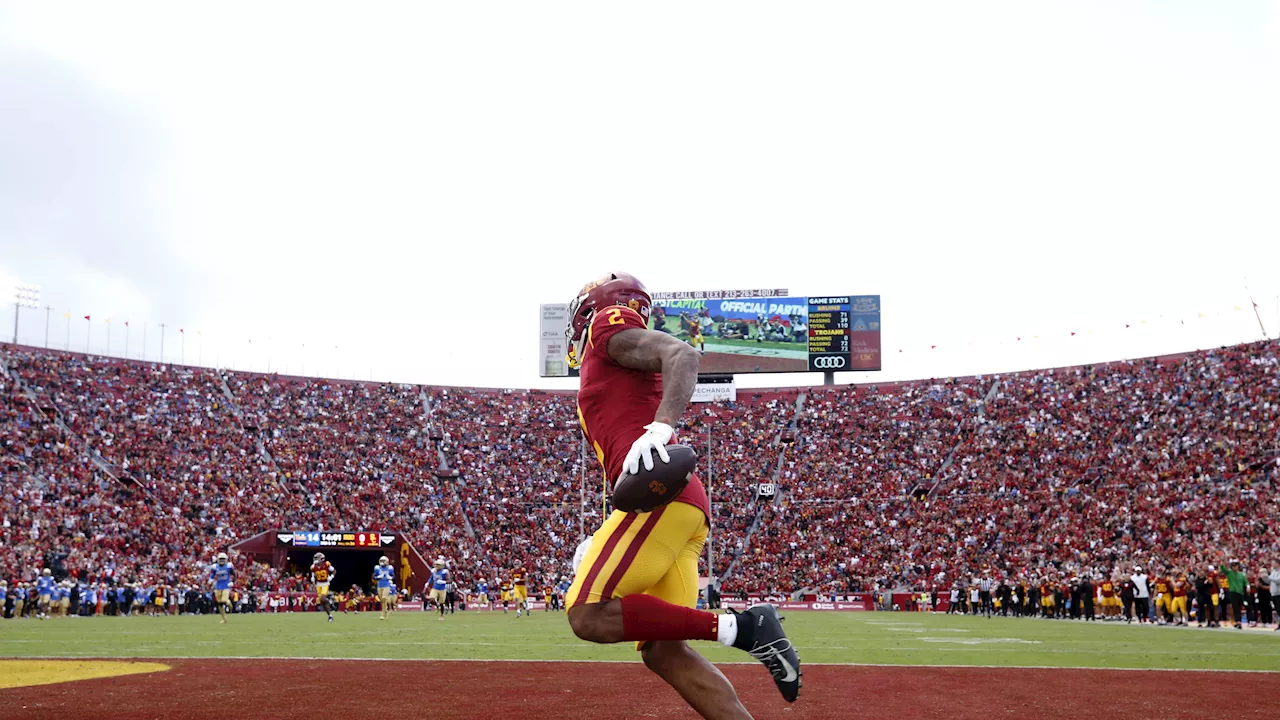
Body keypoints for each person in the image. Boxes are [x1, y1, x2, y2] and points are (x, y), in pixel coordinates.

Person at [562, 272, 801, 719]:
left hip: (661, 498)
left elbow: (682, 354)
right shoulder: (615, 357)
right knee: (664, 652)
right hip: (678, 505)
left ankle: (744, 627)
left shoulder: (606, 327)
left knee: (587, 614)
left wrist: (663, 425)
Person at [208, 552, 235, 624]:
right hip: (218, 586)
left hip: (226, 585)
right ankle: (224, 619)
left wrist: (233, 582)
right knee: (219, 603)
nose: (222, 560)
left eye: (223, 559)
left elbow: (234, 574)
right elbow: (212, 574)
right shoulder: (215, 567)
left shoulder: (229, 566)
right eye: (221, 559)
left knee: (224, 600)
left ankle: (230, 606)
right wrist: (210, 579)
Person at [310, 552, 336, 622]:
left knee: (322, 598)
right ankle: (330, 616)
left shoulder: (326, 564)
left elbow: (334, 571)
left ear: (322, 559)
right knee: (322, 602)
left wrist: (331, 577)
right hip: (318, 584)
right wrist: (312, 579)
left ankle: (330, 601)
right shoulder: (313, 567)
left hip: (325, 584)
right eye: (315, 558)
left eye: (317, 558)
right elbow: (313, 574)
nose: (315, 559)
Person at [373, 556, 395, 620]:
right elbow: (374, 576)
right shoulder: (377, 568)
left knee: (384, 598)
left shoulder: (390, 568)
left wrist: (390, 577)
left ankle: (382, 614)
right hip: (379, 585)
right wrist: (378, 577)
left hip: (386, 585)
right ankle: (385, 610)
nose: (382, 562)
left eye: (383, 561)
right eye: (381, 561)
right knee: (382, 600)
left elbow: (393, 576)